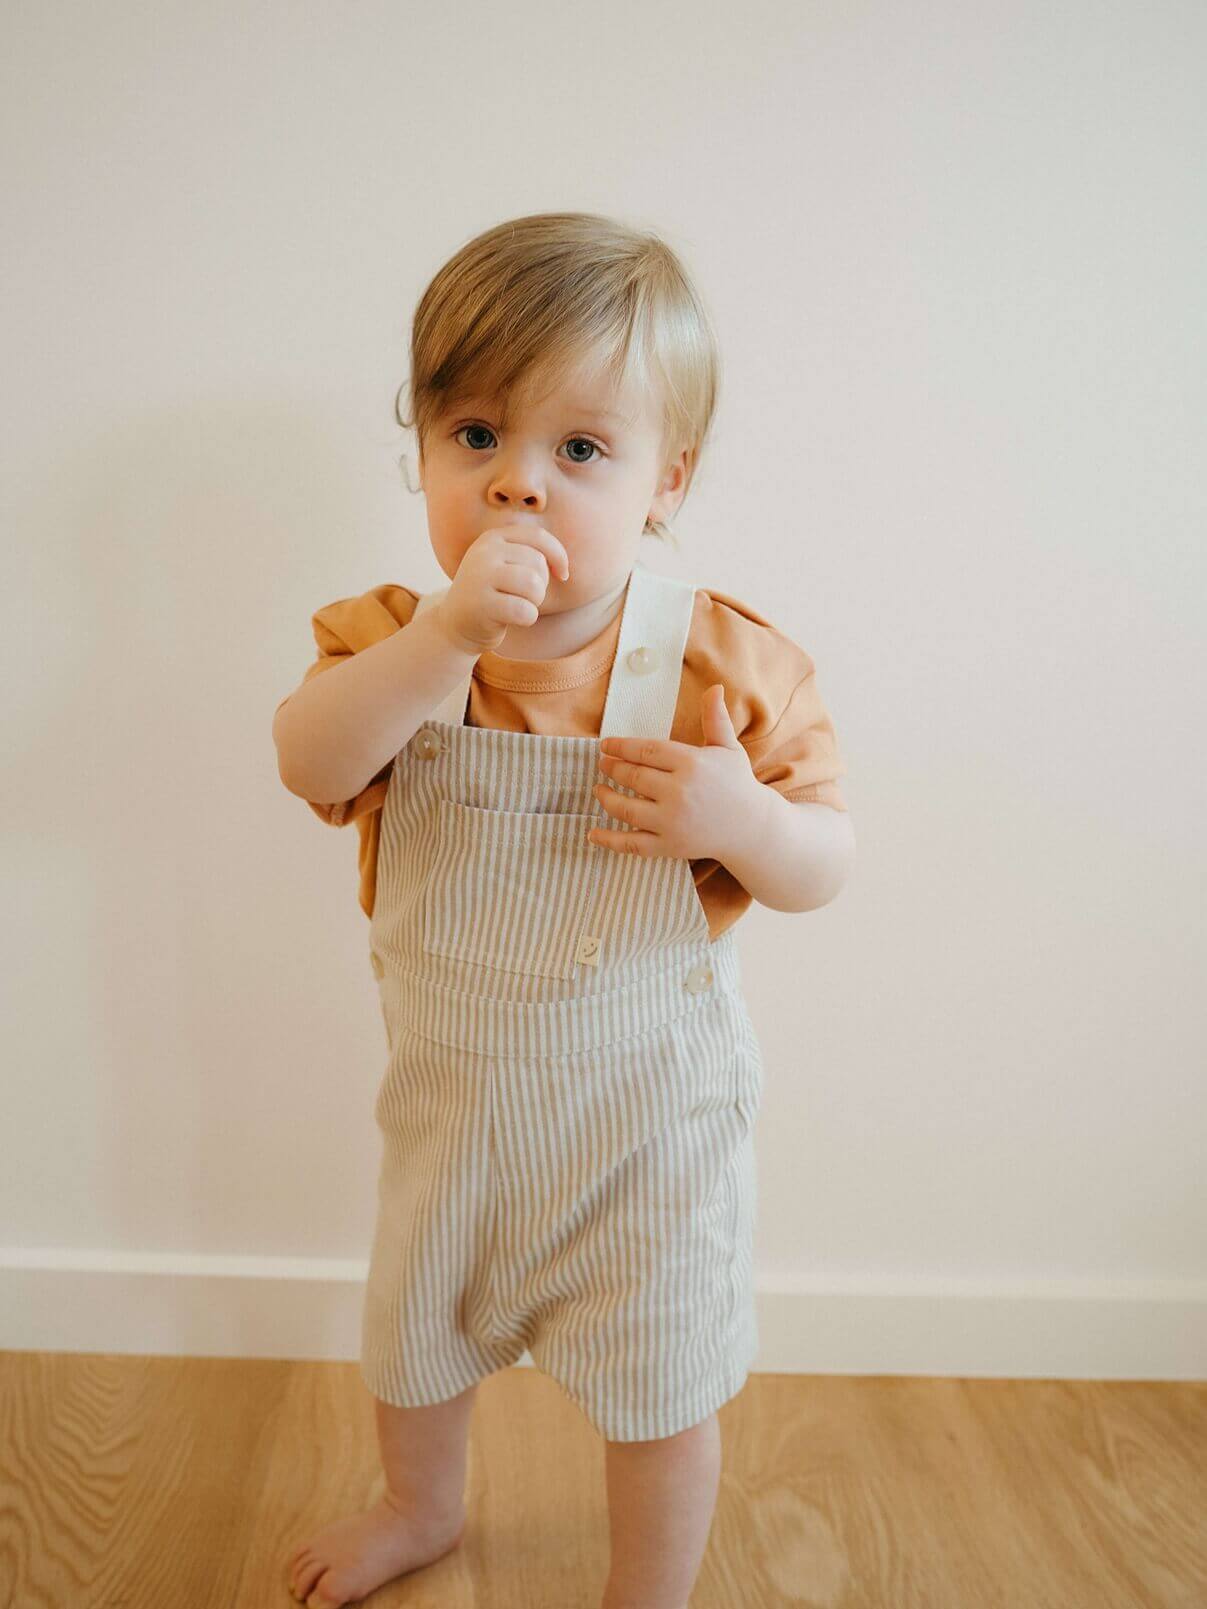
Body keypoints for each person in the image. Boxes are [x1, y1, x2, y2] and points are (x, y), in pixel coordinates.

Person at [272, 211, 855, 1609]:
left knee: (661, 1385)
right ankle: (420, 1505)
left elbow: (824, 859)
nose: (516, 488)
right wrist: (441, 640)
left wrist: (744, 821)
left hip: (647, 1127)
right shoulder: (388, 643)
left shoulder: (724, 657)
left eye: (577, 451)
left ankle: (644, 1589)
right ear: (420, 450)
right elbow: (310, 759)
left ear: (668, 479)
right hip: (457, 1108)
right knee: (412, 1338)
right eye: (474, 437)